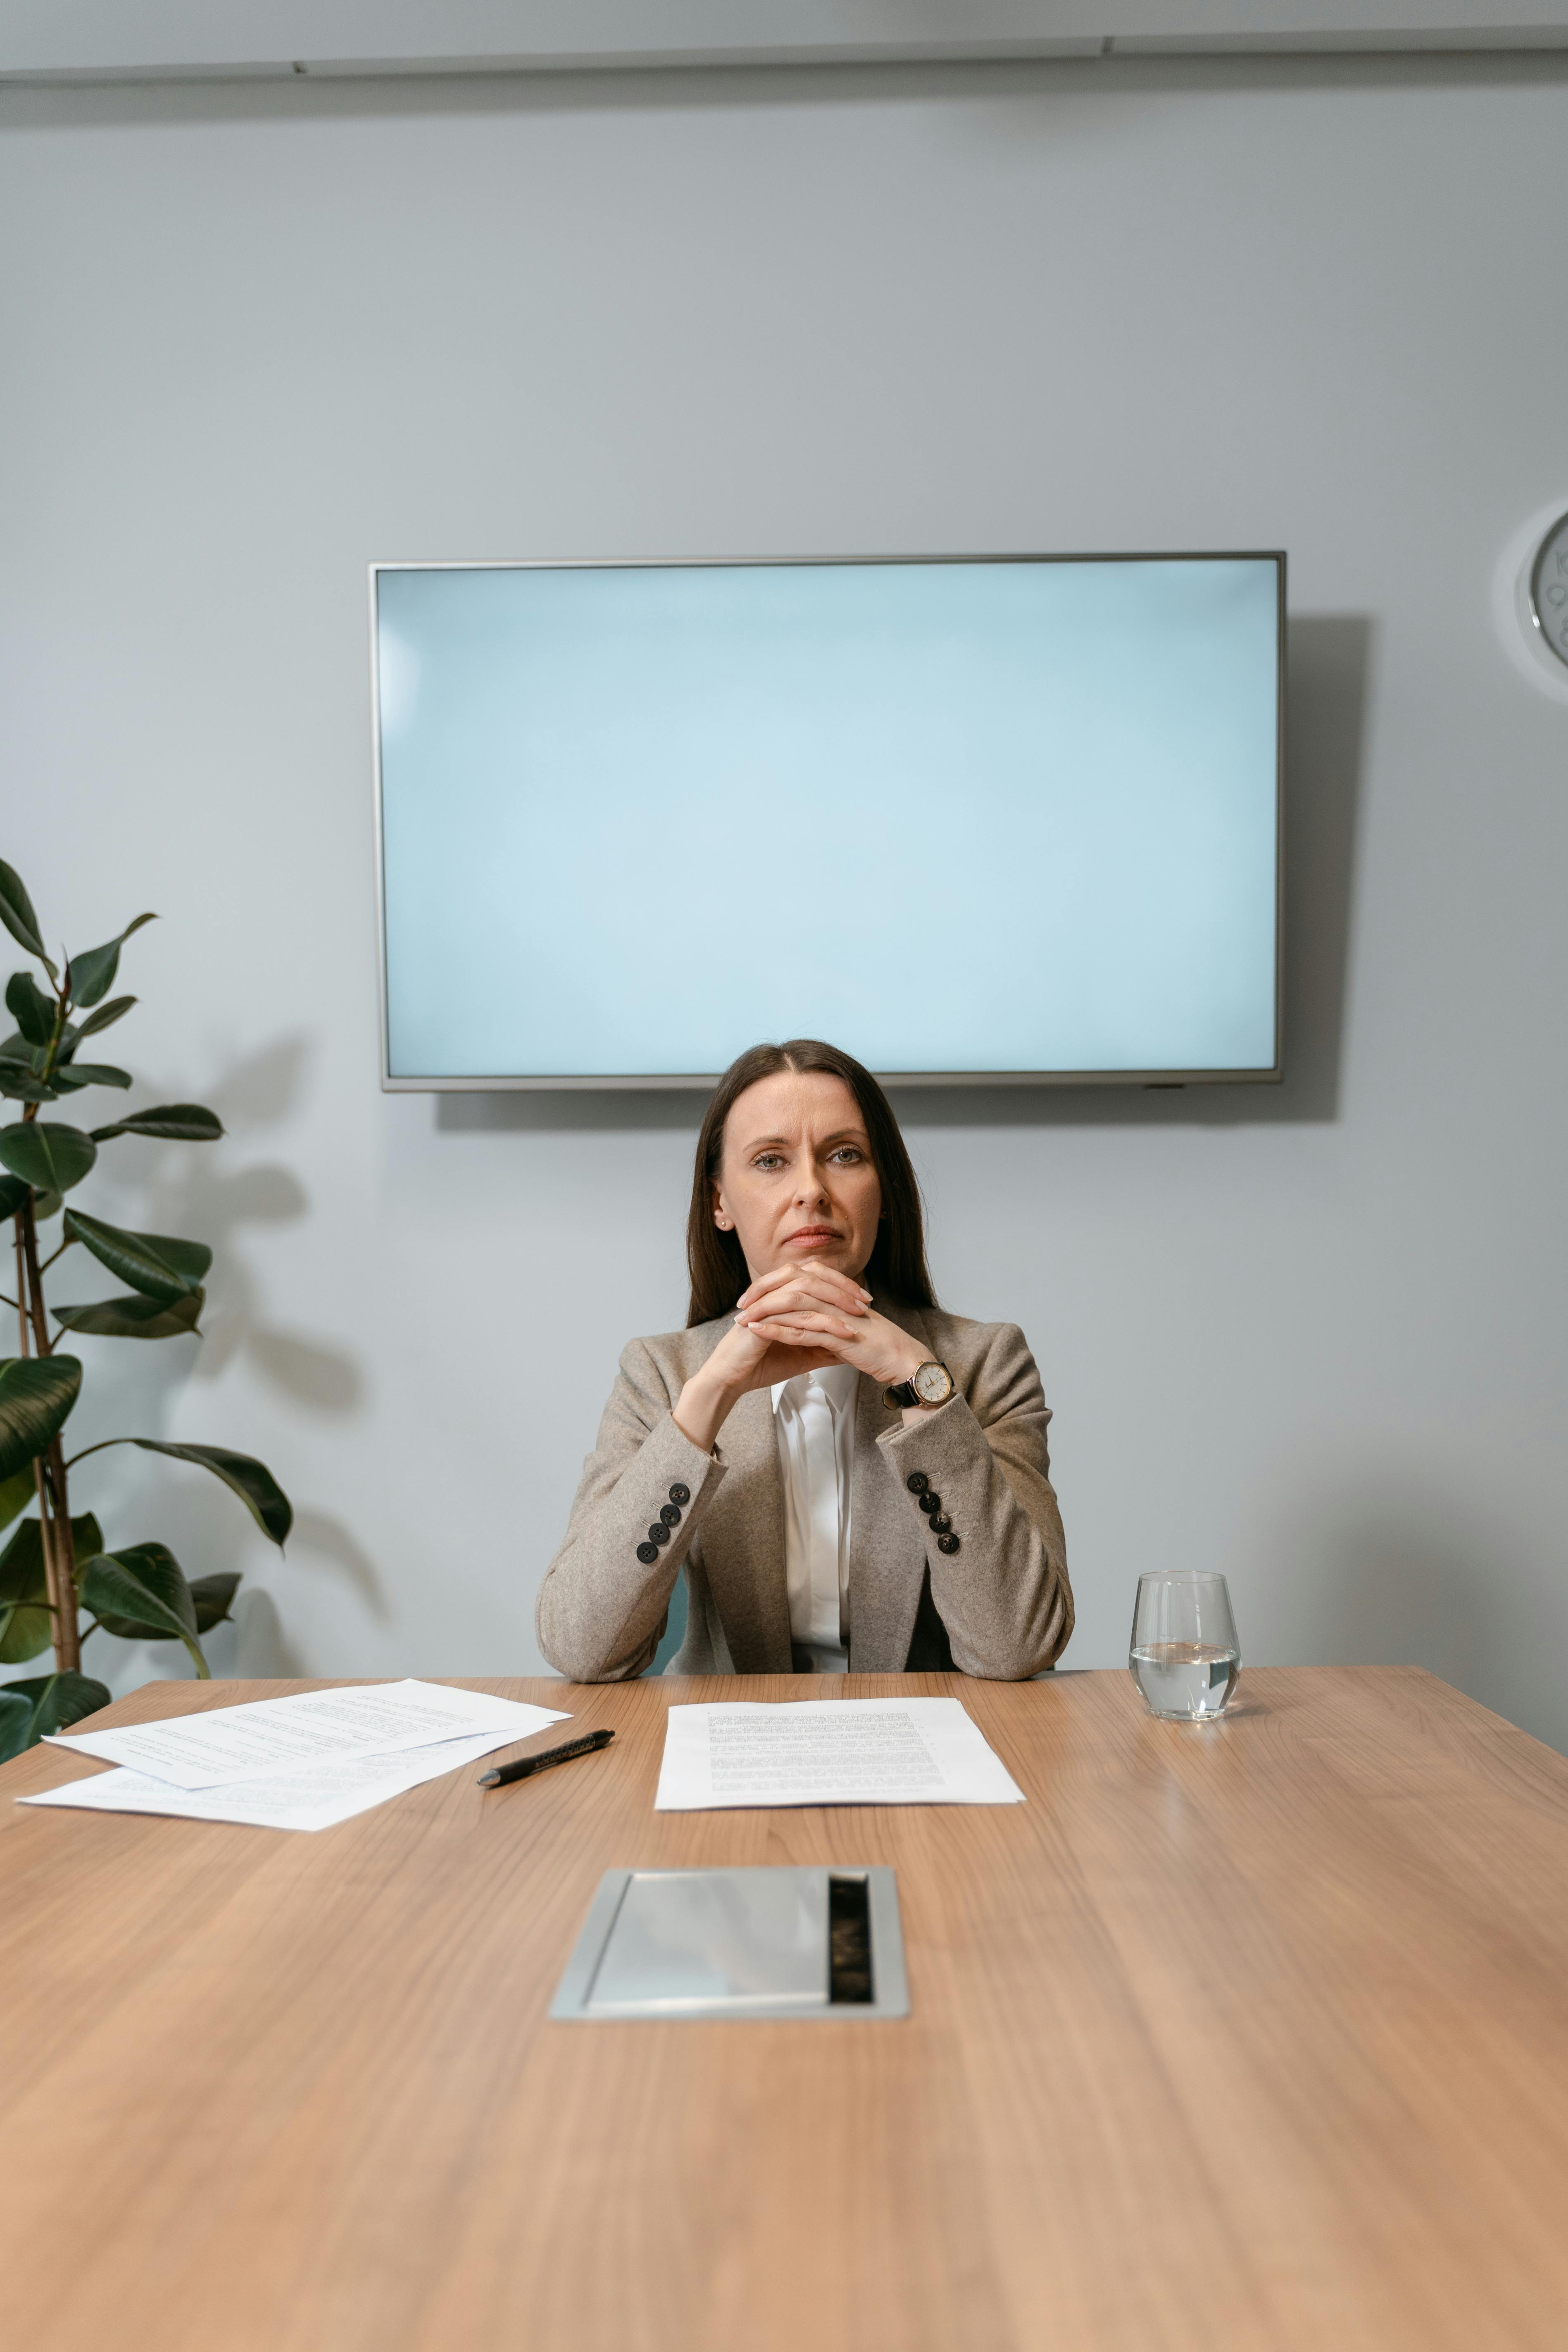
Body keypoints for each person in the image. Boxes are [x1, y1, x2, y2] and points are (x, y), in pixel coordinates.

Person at [536, 1039, 1072, 1681]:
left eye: (845, 1155)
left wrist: (924, 1389)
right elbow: (580, 1648)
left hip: (924, 1751)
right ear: (719, 1204)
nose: (811, 1191)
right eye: (770, 1161)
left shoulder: (983, 1362)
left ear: (884, 1187)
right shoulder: (662, 1371)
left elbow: (1019, 1645)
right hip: (728, 1750)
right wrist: (708, 1399)